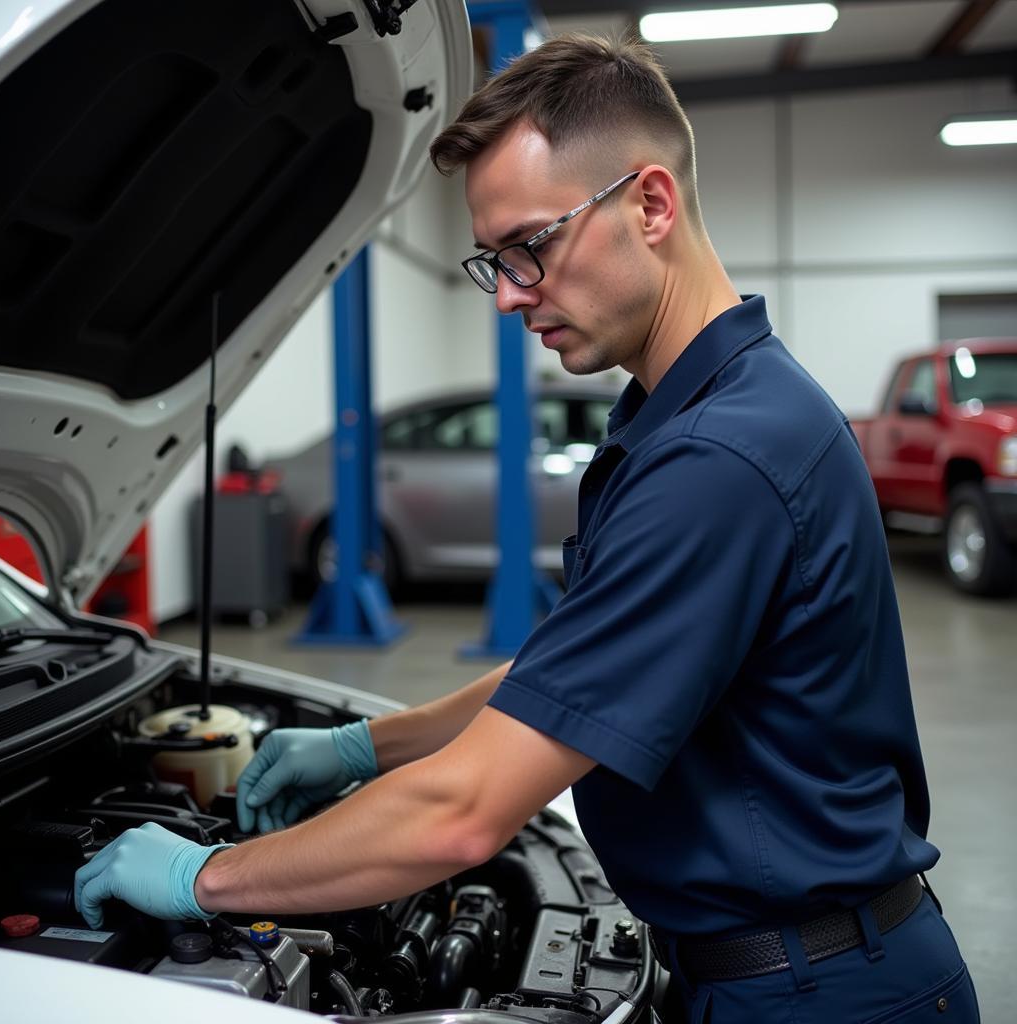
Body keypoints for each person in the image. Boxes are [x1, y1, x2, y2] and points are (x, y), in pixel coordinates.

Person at [74, 35, 979, 1023]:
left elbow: (463, 815)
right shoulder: (696, 411)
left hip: (818, 995)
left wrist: (205, 876)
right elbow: (575, 676)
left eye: (528, 247)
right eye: (490, 261)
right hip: (785, 968)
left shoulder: (720, 459)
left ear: (649, 204)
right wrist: (362, 746)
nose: (506, 293)